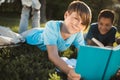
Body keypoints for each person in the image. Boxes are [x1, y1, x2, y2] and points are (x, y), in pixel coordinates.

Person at [21, 1, 92, 80]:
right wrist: (69, 71)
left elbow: (82, 53)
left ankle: (36, 10)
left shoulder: (77, 33)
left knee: (39, 27)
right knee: (20, 34)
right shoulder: (52, 26)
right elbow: (53, 56)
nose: (78, 24)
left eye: (83, 23)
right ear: (66, 15)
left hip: (45, 32)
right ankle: (27, 8)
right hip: (31, 35)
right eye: (76, 18)